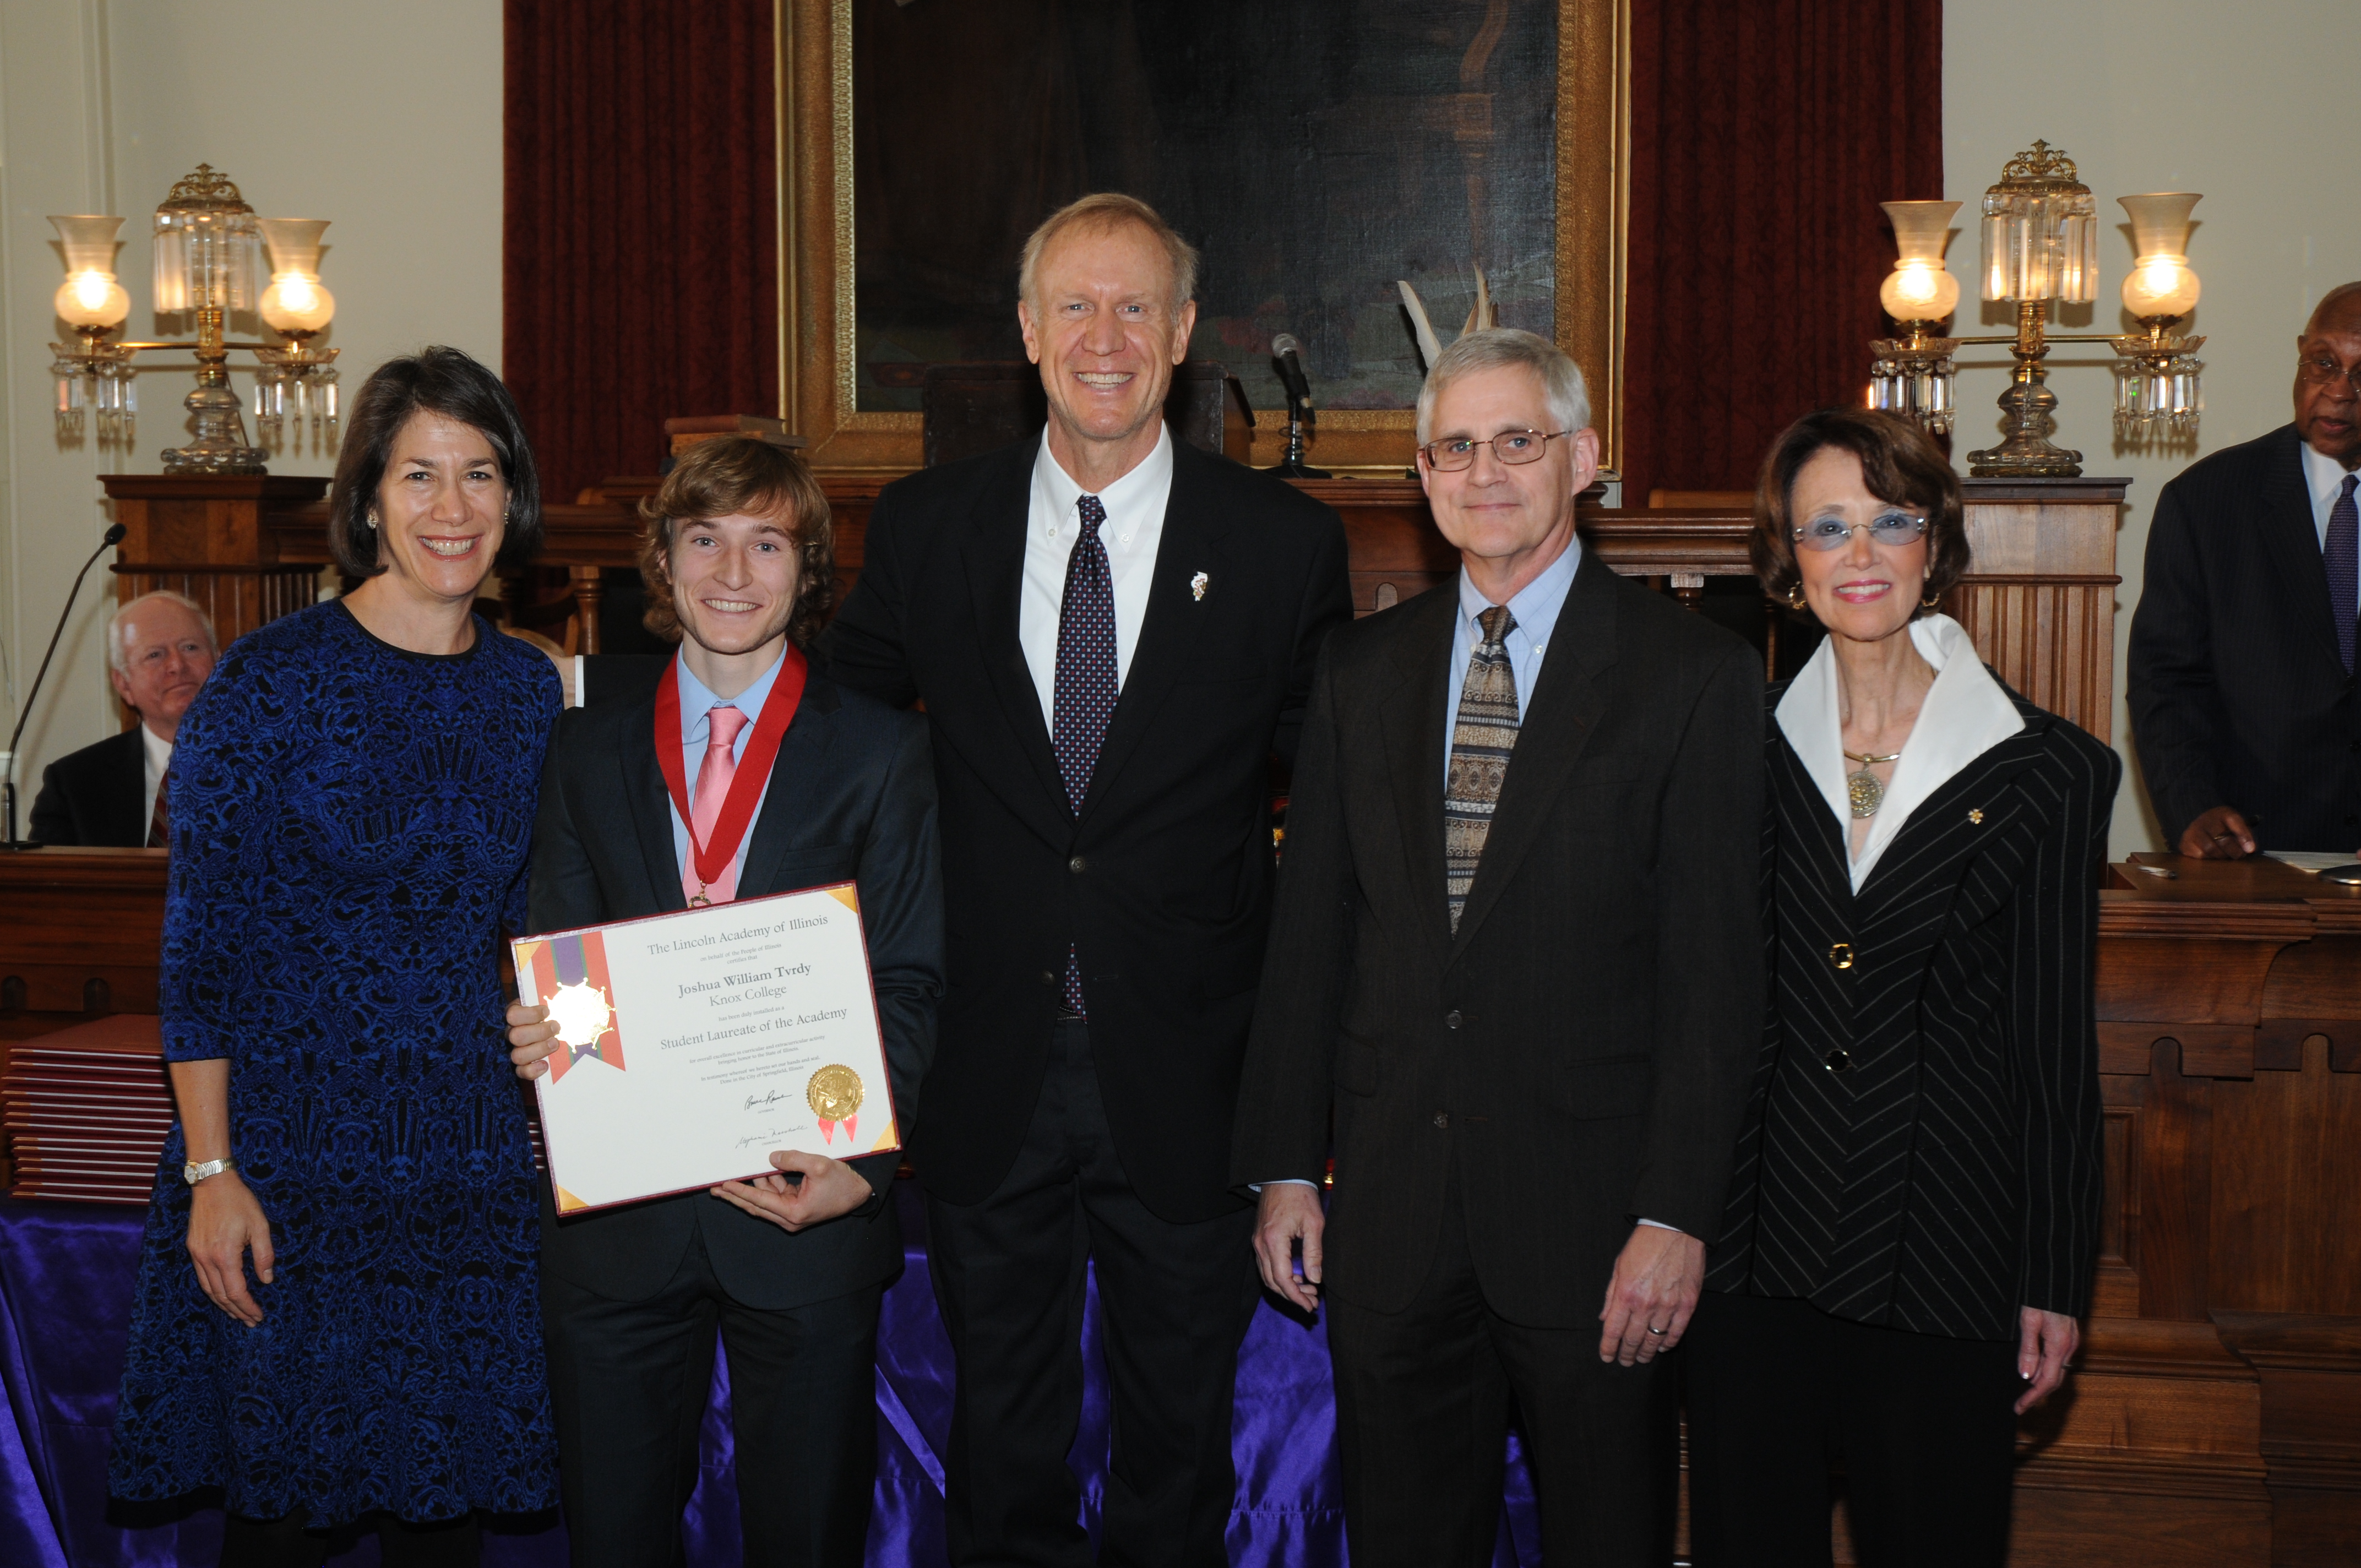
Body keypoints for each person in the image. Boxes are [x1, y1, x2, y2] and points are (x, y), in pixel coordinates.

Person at [819, 192, 1352, 1567]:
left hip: (1190, 1070)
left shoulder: (1285, 546)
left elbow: (1342, 808)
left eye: (1134, 309)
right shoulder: (930, 525)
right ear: (1022, 329)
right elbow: (829, 753)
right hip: (986, 1065)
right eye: (1073, 305)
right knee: (1003, 1442)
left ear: (1181, 336)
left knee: (1176, 1447)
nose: (1101, 337)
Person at [1231, 328, 1764, 1567]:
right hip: (1392, 1218)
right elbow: (1309, 933)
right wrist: (1281, 1166)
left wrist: (1676, 1213)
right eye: (1453, 448)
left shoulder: (1690, 676)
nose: (1484, 472)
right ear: (1421, 477)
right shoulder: (1359, 670)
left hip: (1596, 1233)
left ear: (1581, 456)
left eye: (1514, 440)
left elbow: (1713, 978)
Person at [106, 347, 562, 1565]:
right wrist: (212, 1168)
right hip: (291, 1168)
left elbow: (539, 926)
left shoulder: (531, 691)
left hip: (465, 1169)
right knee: (281, 1526)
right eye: (420, 474)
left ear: (510, 497)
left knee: (444, 1527)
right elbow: (199, 948)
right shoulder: (267, 682)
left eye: (479, 473)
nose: (451, 506)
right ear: (367, 499)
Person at [1685, 408, 2117, 1567]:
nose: (1860, 553)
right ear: (1787, 557)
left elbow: (2048, 1050)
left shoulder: (2052, 770)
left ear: (1934, 542)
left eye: (1890, 520)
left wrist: (2052, 1270)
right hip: (1749, 1244)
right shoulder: (1727, 745)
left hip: (1946, 1251)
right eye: (1827, 526)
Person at [502, 435, 943, 1567]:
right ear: (662, 558)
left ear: (807, 569)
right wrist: (545, 1030)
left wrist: (862, 1163)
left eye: (766, 543)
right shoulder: (583, 744)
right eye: (705, 538)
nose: (734, 572)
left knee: (806, 1537)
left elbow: (908, 975)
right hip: (618, 1226)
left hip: (805, 1203)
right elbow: (562, 953)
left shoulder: (887, 753)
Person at [2128, 281, 2361, 856]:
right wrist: (2190, 805)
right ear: (2301, 354)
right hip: (2251, 851)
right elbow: (2166, 678)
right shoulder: (2208, 500)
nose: (2338, 391)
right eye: (2323, 364)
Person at [29, 589, 216, 847]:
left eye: (191, 647)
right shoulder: (74, 783)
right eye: (155, 655)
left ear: (220, 662)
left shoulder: (274, 766)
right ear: (124, 685)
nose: (177, 665)